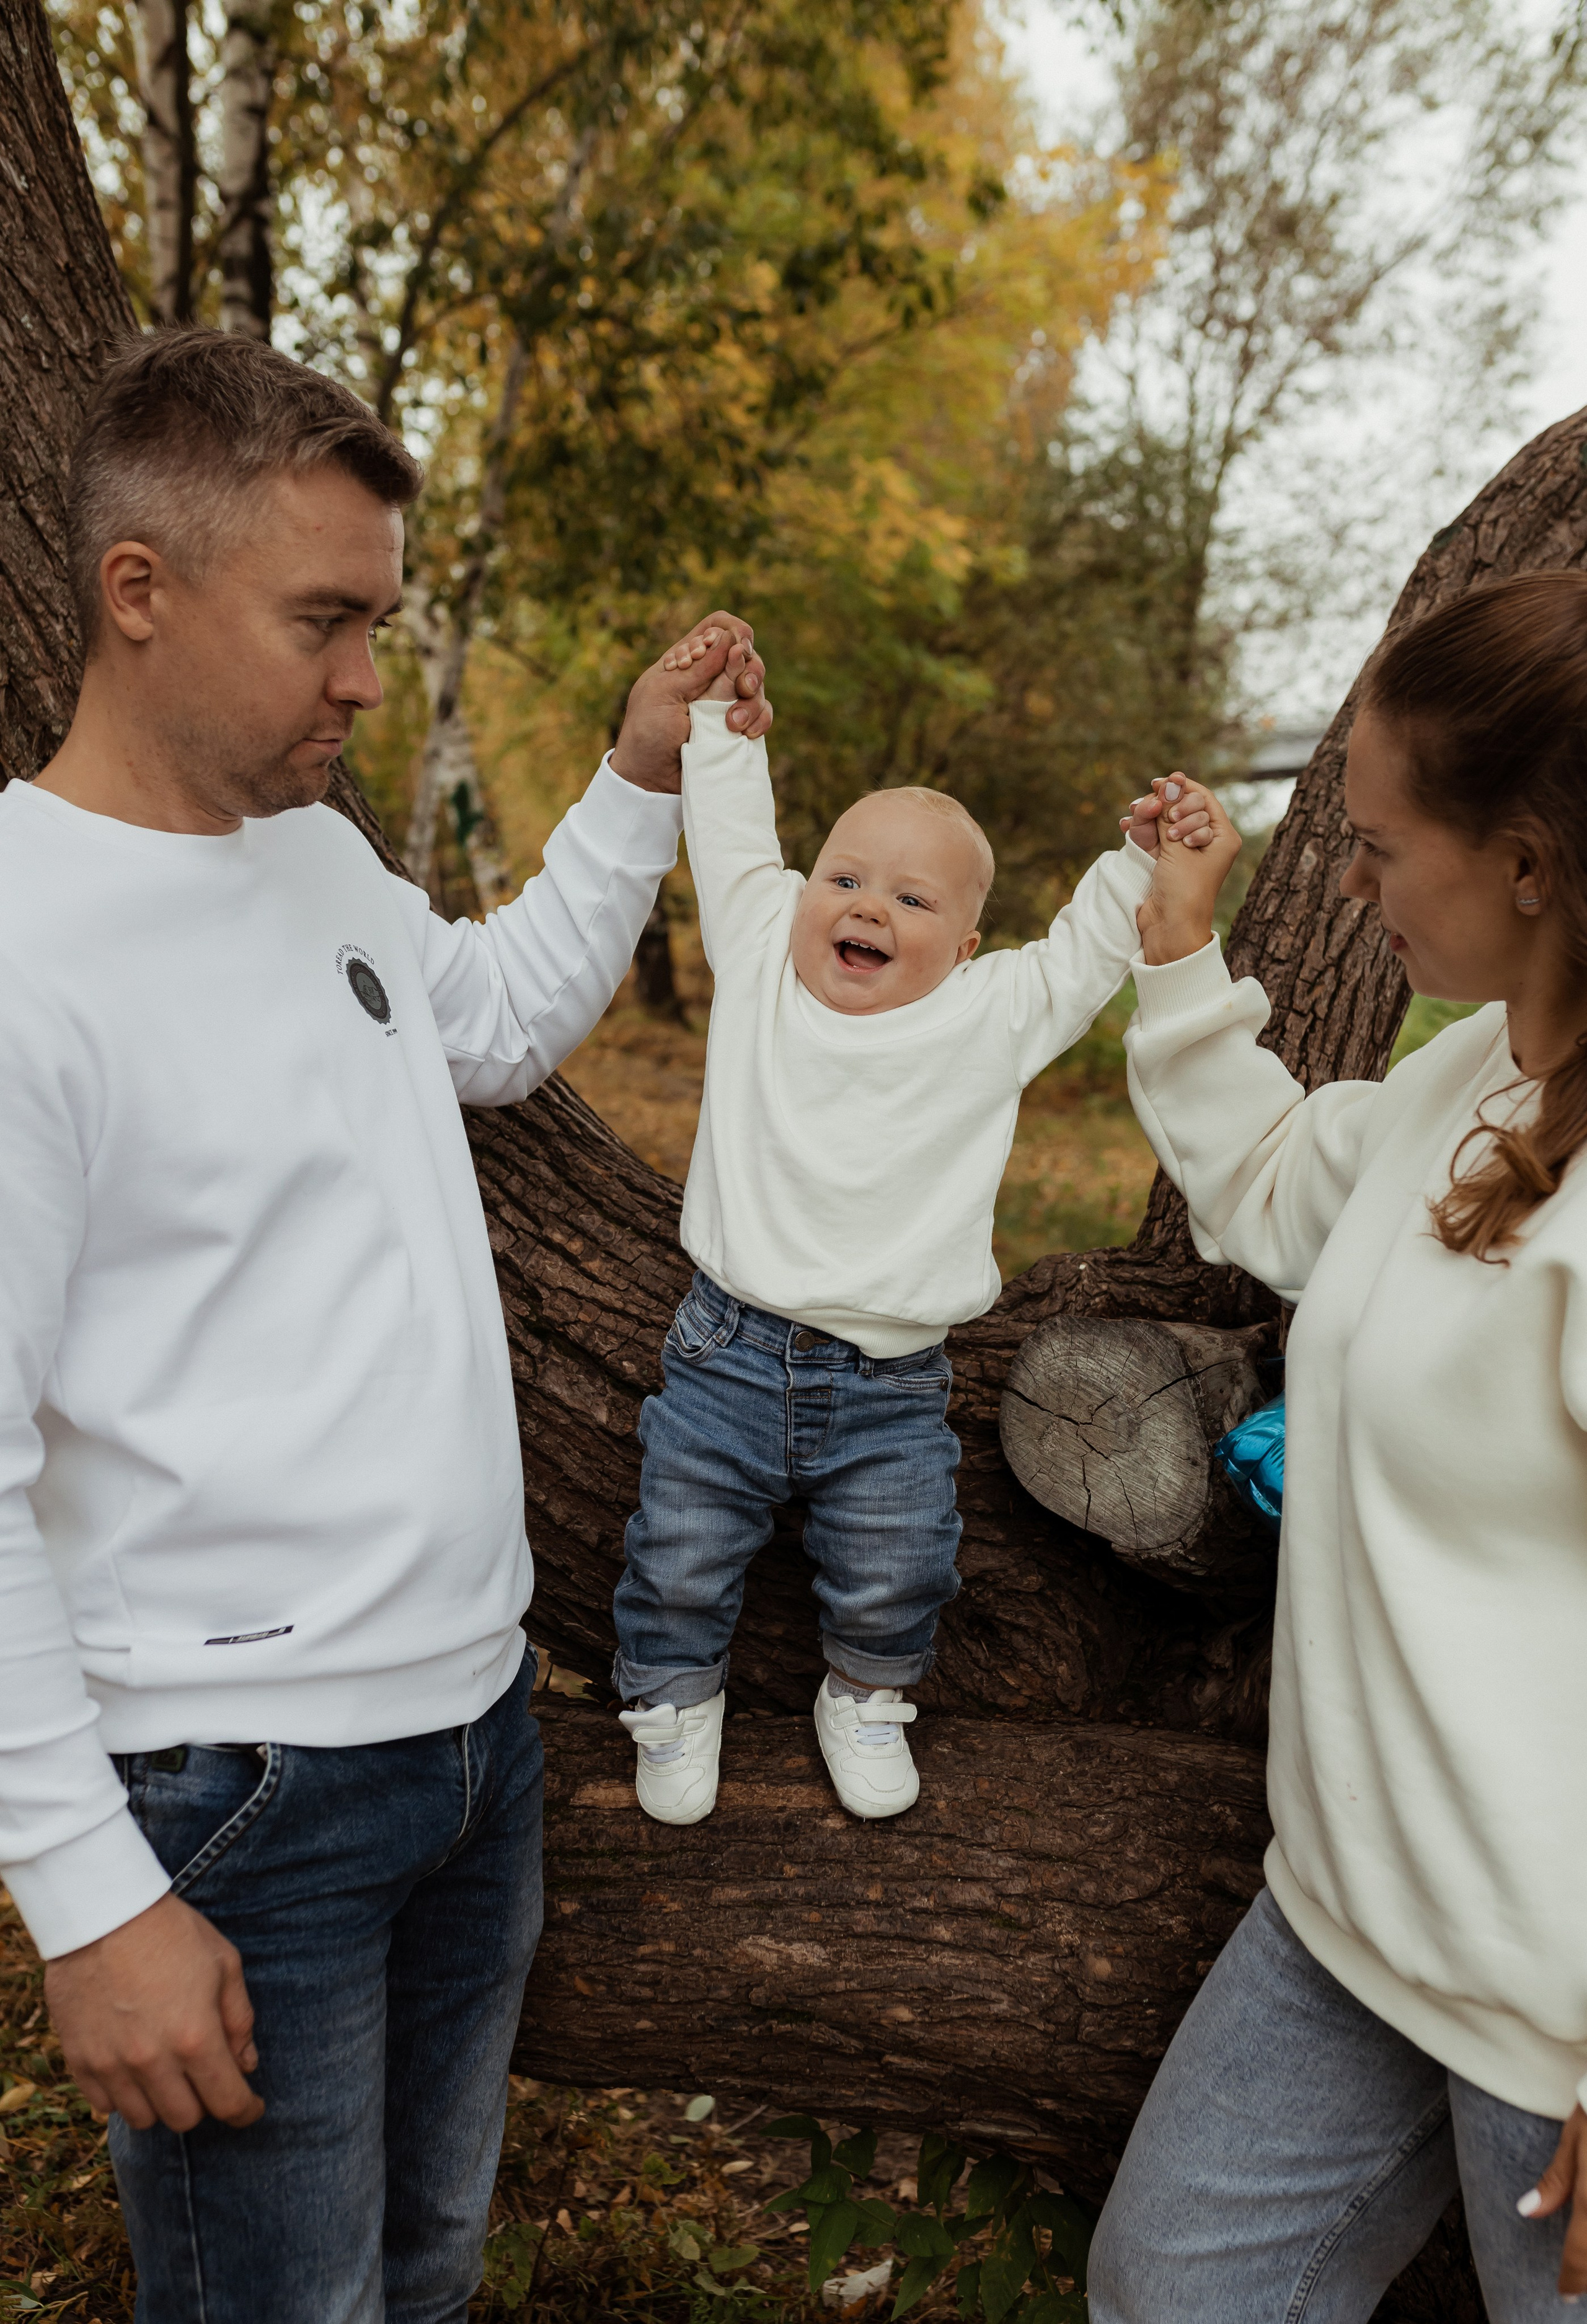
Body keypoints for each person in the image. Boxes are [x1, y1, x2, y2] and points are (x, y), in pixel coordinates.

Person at [0, 325, 770, 2322]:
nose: (365, 676)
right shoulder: (20, 954)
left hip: (473, 1740)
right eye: (326, 620)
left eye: (382, 620)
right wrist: (91, 1900)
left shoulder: (318, 857)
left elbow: (494, 1025)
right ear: (138, 592)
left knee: (424, 2269)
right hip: (238, 1796)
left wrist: (631, 777)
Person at [1089, 569, 1587, 2320]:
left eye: (1376, 845)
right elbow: (1287, 1181)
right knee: (1171, 2290)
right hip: (1351, 1916)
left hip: (1557, 2007)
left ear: (1529, 860)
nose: (1348, 879)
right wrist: (1174, 950)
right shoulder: (1471, 1089)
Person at [608, 635, 1218, 1825]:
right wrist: (728, 734)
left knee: (901, 1562)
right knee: (678, 1543)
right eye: (844, 878)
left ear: (967, 946)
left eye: (911, 898)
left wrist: (1140, 853)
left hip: (889, 1380)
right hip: (727, 1349)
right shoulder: (762, 957)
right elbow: (736, 847)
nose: (866, 907)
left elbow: (1087, 956)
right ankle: (673, 1695)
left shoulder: (991, 1016)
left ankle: (868, 1694)